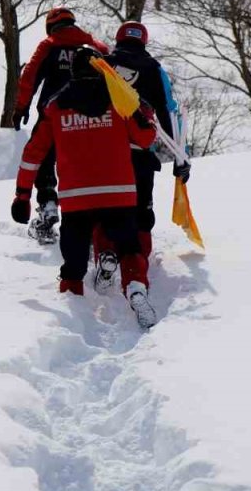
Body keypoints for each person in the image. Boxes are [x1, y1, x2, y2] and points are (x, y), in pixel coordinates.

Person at [10, 47, 159, 328]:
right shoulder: (119, 100)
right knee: (129, 248)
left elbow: (33, 154)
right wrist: (145, 112)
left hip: (76, 199)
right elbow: (146, 137)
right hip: (120, 194)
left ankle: (73, 322)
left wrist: (23, 195)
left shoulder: (55, 105)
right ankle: (136, 287)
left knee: (74, 266)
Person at [93, 21, 190, 261]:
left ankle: (104, 253)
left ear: (118, 39)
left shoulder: (103, 65)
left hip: (104, 152)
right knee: (141, 209)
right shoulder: (154, 70)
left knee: (104, 207)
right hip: (140, 152)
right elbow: (169, 112)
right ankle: (139, 263)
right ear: (143, 41)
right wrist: (181, 157)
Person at [12, 7, 110, 243]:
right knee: (86, 167)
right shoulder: (96, 47)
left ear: (50, 26)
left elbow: (29, 77)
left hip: (53, 116)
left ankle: (47, 205)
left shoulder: (49, 45)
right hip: (93, 119)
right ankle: (93, 222)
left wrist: (20, 108)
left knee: (44, 159)